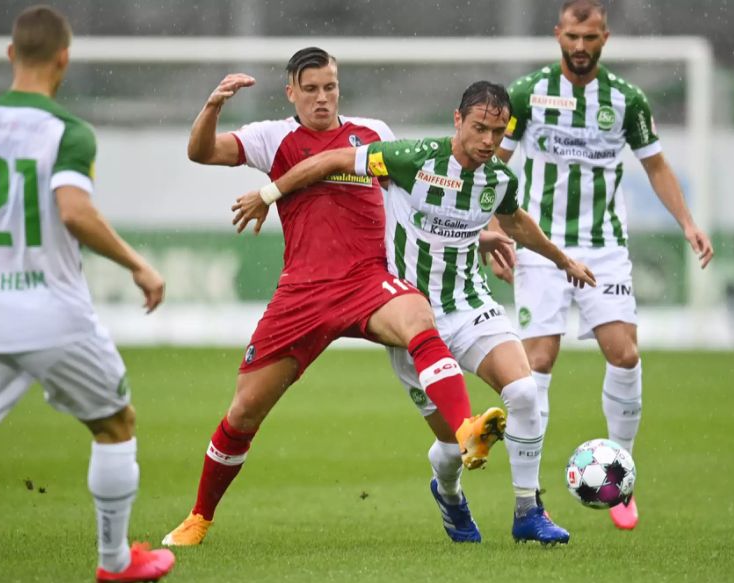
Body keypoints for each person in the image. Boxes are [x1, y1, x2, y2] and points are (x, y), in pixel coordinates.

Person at [162, 48, 506, 547]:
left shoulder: (374, 133)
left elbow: (427, 196)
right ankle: (199, 517)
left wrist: (481, 232)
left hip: (368, 281)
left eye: (330, 87)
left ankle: (467, 429)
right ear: (292, 92)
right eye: (311, 89)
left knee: (417, 315)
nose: (322, 98)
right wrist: (213, 106)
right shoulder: (273, 137)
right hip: (302, 293)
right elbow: (202, 152)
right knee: (243, 413)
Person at [231, 81, 597, 545]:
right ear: (457, 120)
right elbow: (332, 160)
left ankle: (528, 510)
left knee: (524, 392)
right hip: (410, 318)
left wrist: (561, 259)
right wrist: (269, 194)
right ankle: (448, 493)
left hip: (469, 305)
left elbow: (515, 219)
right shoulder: (412, 157)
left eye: (498, 132)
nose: (488, 141)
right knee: (450, 447)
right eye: (480, 128)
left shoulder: (499, 179)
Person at [0, 5, 175, 583]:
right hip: (51, 317)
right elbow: (73, 211)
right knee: (116, 424)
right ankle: (115, 559)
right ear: (64, 59)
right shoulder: (67, 132)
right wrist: (138, 264)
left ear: (9, 55)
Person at [490, 0, 714, 530]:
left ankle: (619, 474)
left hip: (603, 248)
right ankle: (531, 491)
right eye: (573, 36)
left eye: (591, 38)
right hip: (541, 246)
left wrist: (687, 221)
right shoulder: (527, 94)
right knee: (537, 363)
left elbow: (656, 166)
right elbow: (494, 164)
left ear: (605, 38)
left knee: (625, 352)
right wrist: (496, 228)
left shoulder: (626, 100)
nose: (581, 47)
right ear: (558, 35)